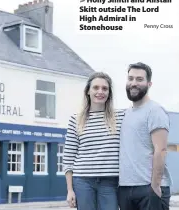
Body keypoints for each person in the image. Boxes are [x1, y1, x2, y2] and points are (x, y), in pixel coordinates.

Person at [63, 72, 125, 210]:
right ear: (88, 91)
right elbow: (68, 158)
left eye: (105, 88)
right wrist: (70, 190)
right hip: (82, 181)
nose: (100, 91)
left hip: (110, 182)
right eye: (96, 87)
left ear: (109, 93)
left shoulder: (120, 117)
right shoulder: (76, 119)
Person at [118, 62, 172, 210]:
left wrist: (155, 185)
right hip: (125, 188)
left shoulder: (155, 111)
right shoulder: (125, 114)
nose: (133, 83)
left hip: (149, 188)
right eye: (130, 78)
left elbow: (160, 150)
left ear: (149, 83)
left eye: (139, 79)